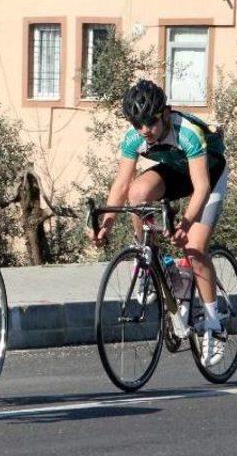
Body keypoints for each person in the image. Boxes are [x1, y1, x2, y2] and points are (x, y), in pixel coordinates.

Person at [92, 79, 229, 367]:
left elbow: (201, 188)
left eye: (151, 123)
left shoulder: (187, 133)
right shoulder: (135, 138)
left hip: (209, 174)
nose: (145, 130)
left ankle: (214, 323)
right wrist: (106, 223)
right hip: (176, 172)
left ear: (165, 113)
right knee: (137, 192)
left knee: (194, 248)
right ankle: (150, 257)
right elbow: (120, 184)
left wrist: (187, 224)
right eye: (137, 123)